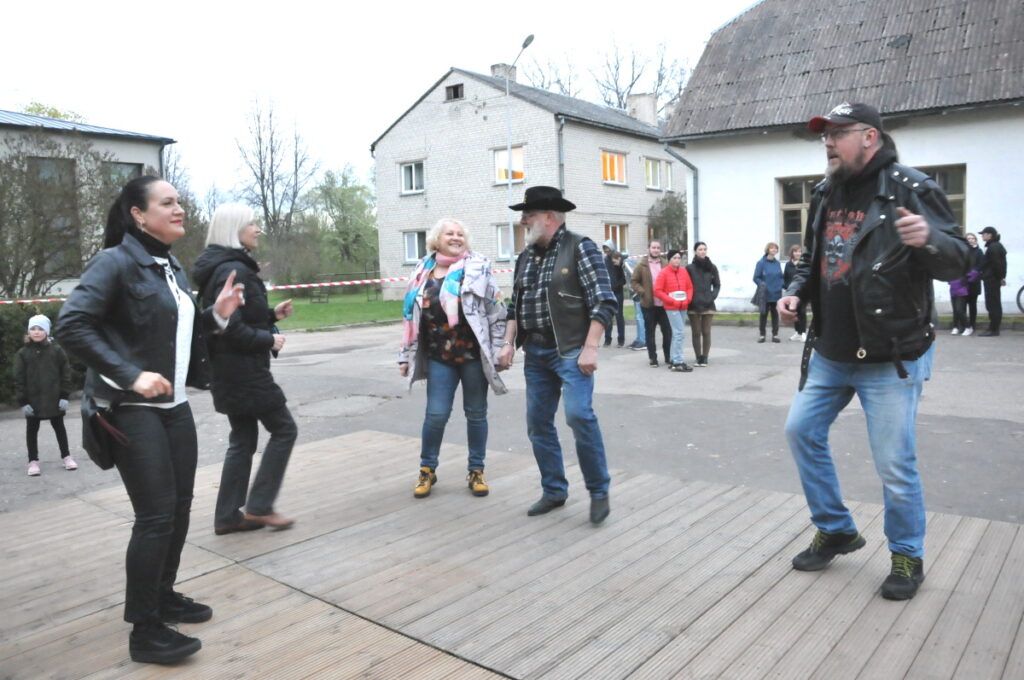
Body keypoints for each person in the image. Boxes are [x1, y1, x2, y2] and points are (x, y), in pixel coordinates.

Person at [779, 102, 967, 600]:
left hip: (890, 356)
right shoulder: (824, 192)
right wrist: (796, 290)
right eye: (825, 134)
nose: (827, 142)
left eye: (837, 134)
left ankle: (907, 554)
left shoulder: (912, 188)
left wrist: (927, 239)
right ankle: (837, 528)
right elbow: (815, 260)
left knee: (893, 464)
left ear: (869, 137)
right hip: (830, 351)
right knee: (800, 431)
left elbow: (959, 259)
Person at [56, 176, 245, 664]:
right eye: (168, 203)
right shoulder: (115, 262)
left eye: (180, 201)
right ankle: (144, 631)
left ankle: (162, 595)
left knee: (179, 509)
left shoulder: (171, 267)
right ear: (139, 215)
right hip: (129, 410)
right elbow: (71, 324)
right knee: (156, 516)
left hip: (174, 409)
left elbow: (172, 334)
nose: (179, 209)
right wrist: (129, 374)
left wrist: (216, 316)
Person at [496, 186, 615, 525]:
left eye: (527, 215)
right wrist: (507, 343)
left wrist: (591, 347)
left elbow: (604, 301)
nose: (522, 221)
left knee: (578, 415)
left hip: (571, 350)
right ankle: (554, 490)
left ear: (548, 217)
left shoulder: (581, 248)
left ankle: (598, 490)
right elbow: (514, 307)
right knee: (537, 423)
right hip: (535, 351)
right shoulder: (525, 257)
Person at [192, 203, 297, 536]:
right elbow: (230, 329)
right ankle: (259, 506)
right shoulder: (231, 271)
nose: (258, 229)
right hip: (244, 371)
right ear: (234, 231)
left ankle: (227, 516)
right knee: (284, 429)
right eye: (252, 223)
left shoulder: (224, 267)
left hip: (229, 372)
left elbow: (237, 317)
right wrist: (269, 340)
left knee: (243, 439)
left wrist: (271, 316)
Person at [397, 218, 507, 498]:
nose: (456, 238)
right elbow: (410, 317)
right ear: (437, 238)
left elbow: (495, 311)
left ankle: (476, 470)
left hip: (472, 355)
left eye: (460, 234)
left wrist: (499, 350)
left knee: (476, 414)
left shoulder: (478, 267)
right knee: (435, 415)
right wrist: (405, 356)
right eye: (450, 233)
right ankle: (427, 470)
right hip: (438, 357)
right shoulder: (423, 270)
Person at [14, 314, 77, 475]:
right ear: (28, 332)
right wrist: (23, 401)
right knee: (31, 430)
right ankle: (33, 461)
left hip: (54, 399)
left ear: (47, 331)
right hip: (32, 401)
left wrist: (64, 395)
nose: (36, 332)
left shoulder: (56, 351)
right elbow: (19, 378)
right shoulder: (23, 353)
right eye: (33, 329)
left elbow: (66, 373)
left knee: (59, 428)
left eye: (40, 329)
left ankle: (67, 456)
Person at [631, 240, 673, 367]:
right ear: (648, 248)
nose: (656, 250)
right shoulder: (642, 265)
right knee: (650, 332)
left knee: (667, 332)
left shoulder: (665, 264)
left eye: (658, 248)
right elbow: (634, 281)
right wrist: (642, 291)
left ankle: (668, 357)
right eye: (654, 247)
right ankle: (653, 358)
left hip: (664, 304)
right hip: (648, 304)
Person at [654, 249, 694, 372]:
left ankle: (673, 358)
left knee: (677, 333)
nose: (677, 260)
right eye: (674, 258)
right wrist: (671, 301)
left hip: (683, 306)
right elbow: (657, 290)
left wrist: (688, 299)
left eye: (678, 258)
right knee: (679, 333)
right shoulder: (663, 273)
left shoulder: (683, 272)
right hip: (672, 307)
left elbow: (689, 287)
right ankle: (678, 361)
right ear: (668, 259)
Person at [686, 241, 720, 367]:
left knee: (706, 331)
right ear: (695, 251)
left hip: (708, 304)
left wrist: (712, 296)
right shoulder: (689, 268)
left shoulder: (712, 267)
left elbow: (717, 284)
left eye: (705, 249)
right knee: (696, 332)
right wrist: (689, 298)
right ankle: (698, 357)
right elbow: (686, 285)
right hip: (693, 304)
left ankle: (705, 357)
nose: (703, 251)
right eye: (700, 249)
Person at [948, 233, 982, 335]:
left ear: (976, 240)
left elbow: (980, 266)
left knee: (972, 305)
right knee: (959, 307)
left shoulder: (979, 252)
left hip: (973, 283)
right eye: (968, 239)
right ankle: (959, 326)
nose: (971, 240)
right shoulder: (962, 252)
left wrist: (971, 276)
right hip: (960, 283)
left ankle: (971, 325)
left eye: (973, 238)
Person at [978, 226, 1007, 336]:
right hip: (992, 278)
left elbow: (998, 265)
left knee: (993, 304)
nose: (982, 236)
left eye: (983, 234)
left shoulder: (994, 247)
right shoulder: (994, 246)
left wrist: (1000, 278)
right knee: (993, 303)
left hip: (992, 279)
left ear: (990, 235)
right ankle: (993, 328)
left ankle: (994, 329)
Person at [753, 242, 784, 343]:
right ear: (768, 250)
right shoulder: (761, 263)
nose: (774, 250)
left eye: (775, 248)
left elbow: (781, 277)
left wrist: (781, 285)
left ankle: (775, 335)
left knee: (775, 315)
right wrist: (762, 284)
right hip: (765, 293)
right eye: (772, 248)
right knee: (763, 314)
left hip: (776, 293)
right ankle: (762, 335)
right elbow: (755, 278)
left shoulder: (777, 263)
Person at [601, 240, 627, 348]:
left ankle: (621, 340)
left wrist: (617, 285)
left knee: (619, 316)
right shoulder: (605, 260)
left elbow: (624, 279)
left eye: (608, 248)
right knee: (608, 317)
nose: (606, 251)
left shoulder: (619, 259)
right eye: (605, 249)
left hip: (618, 292)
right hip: (607, 293)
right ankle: (607, 339)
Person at [783, 244, 808, 341]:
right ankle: (797, 332)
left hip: (801, 292)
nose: (798, 253)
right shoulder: (788, 265)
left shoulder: (803, 264)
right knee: (794, 312)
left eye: (799, 251)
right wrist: (787, 288)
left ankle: (803, 333)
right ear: (792, 253)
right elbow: (785, 278)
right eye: (796, 251)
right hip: (791, 292)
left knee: (802, 312)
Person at [622, 255, 646, 350]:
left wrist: (636, 291)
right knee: (638, 318)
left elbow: (634, 277)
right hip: (636, 294)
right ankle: (639, 339)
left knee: (640, 318)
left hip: (638, 295)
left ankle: (643, 341)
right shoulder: (629, 264)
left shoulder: (627, 264)